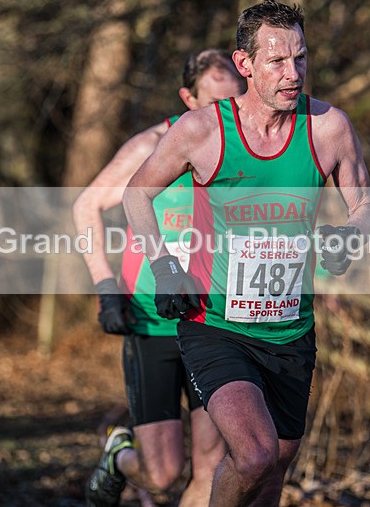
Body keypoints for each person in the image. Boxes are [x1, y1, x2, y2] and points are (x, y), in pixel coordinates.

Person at [122, 0, 370, 506]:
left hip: (291, 330)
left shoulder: (328, 128)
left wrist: (351, 234)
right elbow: (137, 193)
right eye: (277, 61)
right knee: (255, 454)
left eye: (300, 58)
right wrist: (164, 264)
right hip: (215, 324)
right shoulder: (203, 131)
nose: (293, 73)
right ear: (245, 64)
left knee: (274, 469)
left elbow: (365, 203)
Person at [73, 49, 246, 507]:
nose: (227, 114)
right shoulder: (150, 146)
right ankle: (119, 456)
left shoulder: (249, 148)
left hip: (213, 325)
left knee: (210, 468)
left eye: (235, 101)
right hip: (151, 322)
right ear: (188, 98)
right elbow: (86, 206)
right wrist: (105, 287)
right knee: (162, 473)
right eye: (215, 103)